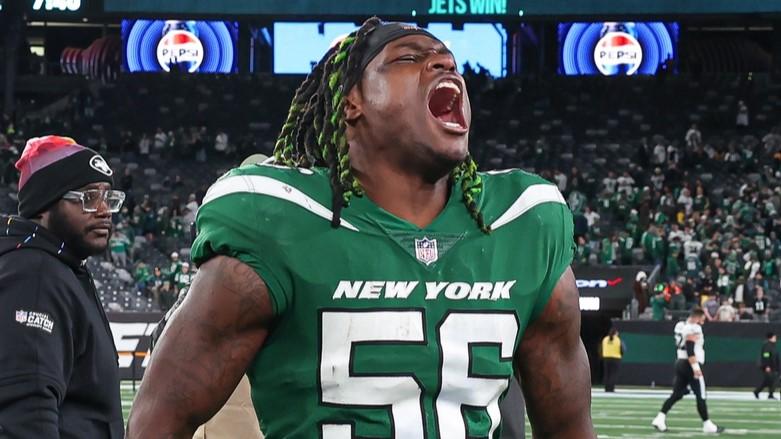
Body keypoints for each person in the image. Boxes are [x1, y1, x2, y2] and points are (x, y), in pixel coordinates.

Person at [128, 18, 594, 438]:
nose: (441, 66)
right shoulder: (281, 220)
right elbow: (160, 419)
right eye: (409, 59)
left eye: (447, 61)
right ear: (353, 102)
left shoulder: (522, 221)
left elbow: (569, 428)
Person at [0, 135, 125, 437]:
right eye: (89, 197)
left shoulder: (60, 267)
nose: (105, 210)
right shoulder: (35, 273)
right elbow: (26, 409)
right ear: (46, 203)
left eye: (108, 197)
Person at [652, 308, 724, 433]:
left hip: (680, 362)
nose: (702, 323)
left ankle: (660, 417)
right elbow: (690, 349)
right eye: (702, 319)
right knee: (701, 395)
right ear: (697, 317)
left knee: (677, 394)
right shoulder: (693, 328)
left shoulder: (680, 326)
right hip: (690, 364)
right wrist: (696, 368)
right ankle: (708, 424)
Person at [753, 332, 779, 400]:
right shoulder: (767, 345)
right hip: (768, 366)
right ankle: (770, 394)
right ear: (770, 338)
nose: (776, 338)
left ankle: (757, 391)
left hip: (773, 366)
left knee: (768, 381)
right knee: (773, 380)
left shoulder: (773, 345)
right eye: (774, 337)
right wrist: (767, 366)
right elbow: (766, 355)